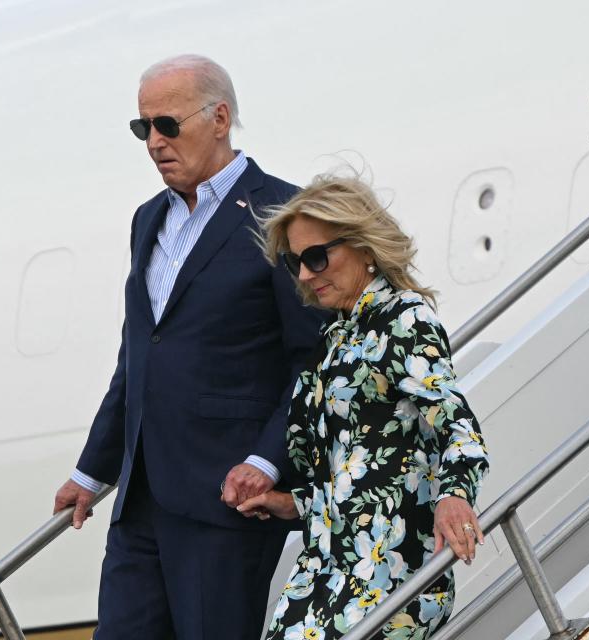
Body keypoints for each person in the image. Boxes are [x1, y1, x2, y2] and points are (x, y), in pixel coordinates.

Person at [51, 54, 326, 639]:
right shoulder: (147, 219)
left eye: (167, 125)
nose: (153, 142)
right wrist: (92, 472)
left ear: (220, 117)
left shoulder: (286, 213)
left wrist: (265, 461)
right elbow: (139, 357)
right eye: (142, 127)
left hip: (226, 500)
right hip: (141, 499)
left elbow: (313, 360)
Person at [240, 174, 490, 639]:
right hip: (325, 572)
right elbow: (363, 471)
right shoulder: (334, 339)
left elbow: (459, 429)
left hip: (390, 573)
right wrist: (293, 503)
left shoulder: (404, 319)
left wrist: (455, 497)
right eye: (295, 262)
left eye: (317, 257)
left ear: (365, 247)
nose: (306, 275)